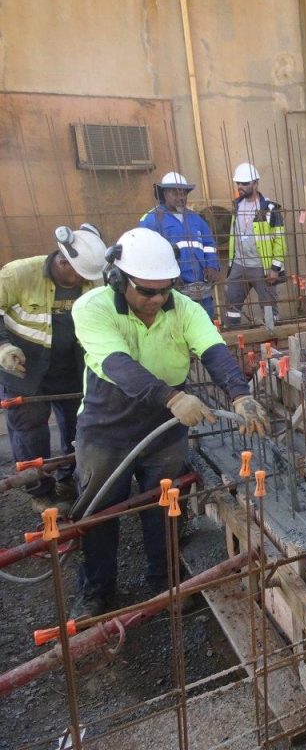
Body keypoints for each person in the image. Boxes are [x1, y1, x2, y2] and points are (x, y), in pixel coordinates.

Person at [69, 227, 269, 617]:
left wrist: (241, 395)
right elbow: (117, 365)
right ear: (117, 279)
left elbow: (213, 351)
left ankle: (164, 583)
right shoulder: (92, 308)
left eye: (165, 289)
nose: (158, 299)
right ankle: (95, 592)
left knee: (164, 505)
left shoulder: (184, 308)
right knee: (98, 511)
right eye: (146, 291)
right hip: (106, 424)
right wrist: (173, 397)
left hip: (163, 427)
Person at [0, 225, 107, 513]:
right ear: (63, 261)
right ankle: (41, 492)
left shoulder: (94, 280)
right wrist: (4, 348)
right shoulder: (18, 274)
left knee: (79, 424)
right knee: (30, 430)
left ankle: (71, 479)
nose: (85, 280)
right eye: (80, 274)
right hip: (25, 366)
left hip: (72, 365)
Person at [140, 171, 220, 318]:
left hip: (201, 286)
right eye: (175, 194)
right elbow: (147, 253)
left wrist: (212, 265)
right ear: (164, 194)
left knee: (205, 323)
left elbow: (209, 244)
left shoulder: (196, 218)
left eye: (183, 194)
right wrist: (167, 278)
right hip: (172, 288)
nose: (181, 198)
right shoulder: (152, 219)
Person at [224, 163, 286, 328]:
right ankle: (233, 339)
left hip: (261, 266)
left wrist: (275, 268)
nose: (240, 187)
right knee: (231, 305)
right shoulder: (236, 205)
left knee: (268, 308)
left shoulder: (269, 209)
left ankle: (271, 344)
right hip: (239, 264)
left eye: (245, 183)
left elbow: (280, 239)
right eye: (238, 183)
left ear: (255, 184)